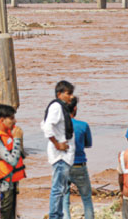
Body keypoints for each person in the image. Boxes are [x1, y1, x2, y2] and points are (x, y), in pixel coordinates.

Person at [41, 80, 75, 219]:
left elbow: (43, 124)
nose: (71, 97)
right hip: (60, 156)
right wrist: (57, 144)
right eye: (69, 93)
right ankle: (55, 216)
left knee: (61, 189)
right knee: (58, 189)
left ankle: (58, 215)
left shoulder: (60, 107)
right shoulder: (56, 107)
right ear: (59, 94)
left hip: (64, 156)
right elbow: (47, 128)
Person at [63, 96, 94, 219]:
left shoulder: (59, 126)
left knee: (64, 200)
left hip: (63, 165)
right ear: (75, 108)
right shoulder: (83, 125)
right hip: (79, 165)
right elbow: (88, 144)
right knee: (86, 199)